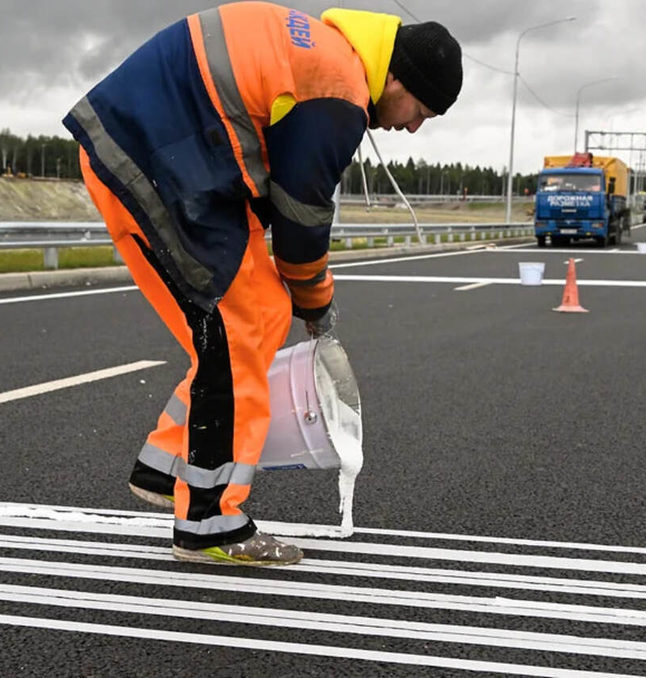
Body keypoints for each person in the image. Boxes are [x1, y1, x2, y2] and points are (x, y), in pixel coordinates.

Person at [63, 2, 462, 566]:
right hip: (161, 159)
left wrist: (301, 301)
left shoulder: (328, 57)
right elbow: (300, 229)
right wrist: (320, 308)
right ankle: (209, 521)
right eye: (420, 109)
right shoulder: (338, 90)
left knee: (259, 316)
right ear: (396, 79)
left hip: (169, 154)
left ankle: (166, 464)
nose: (413, 125)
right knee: (239, 331)